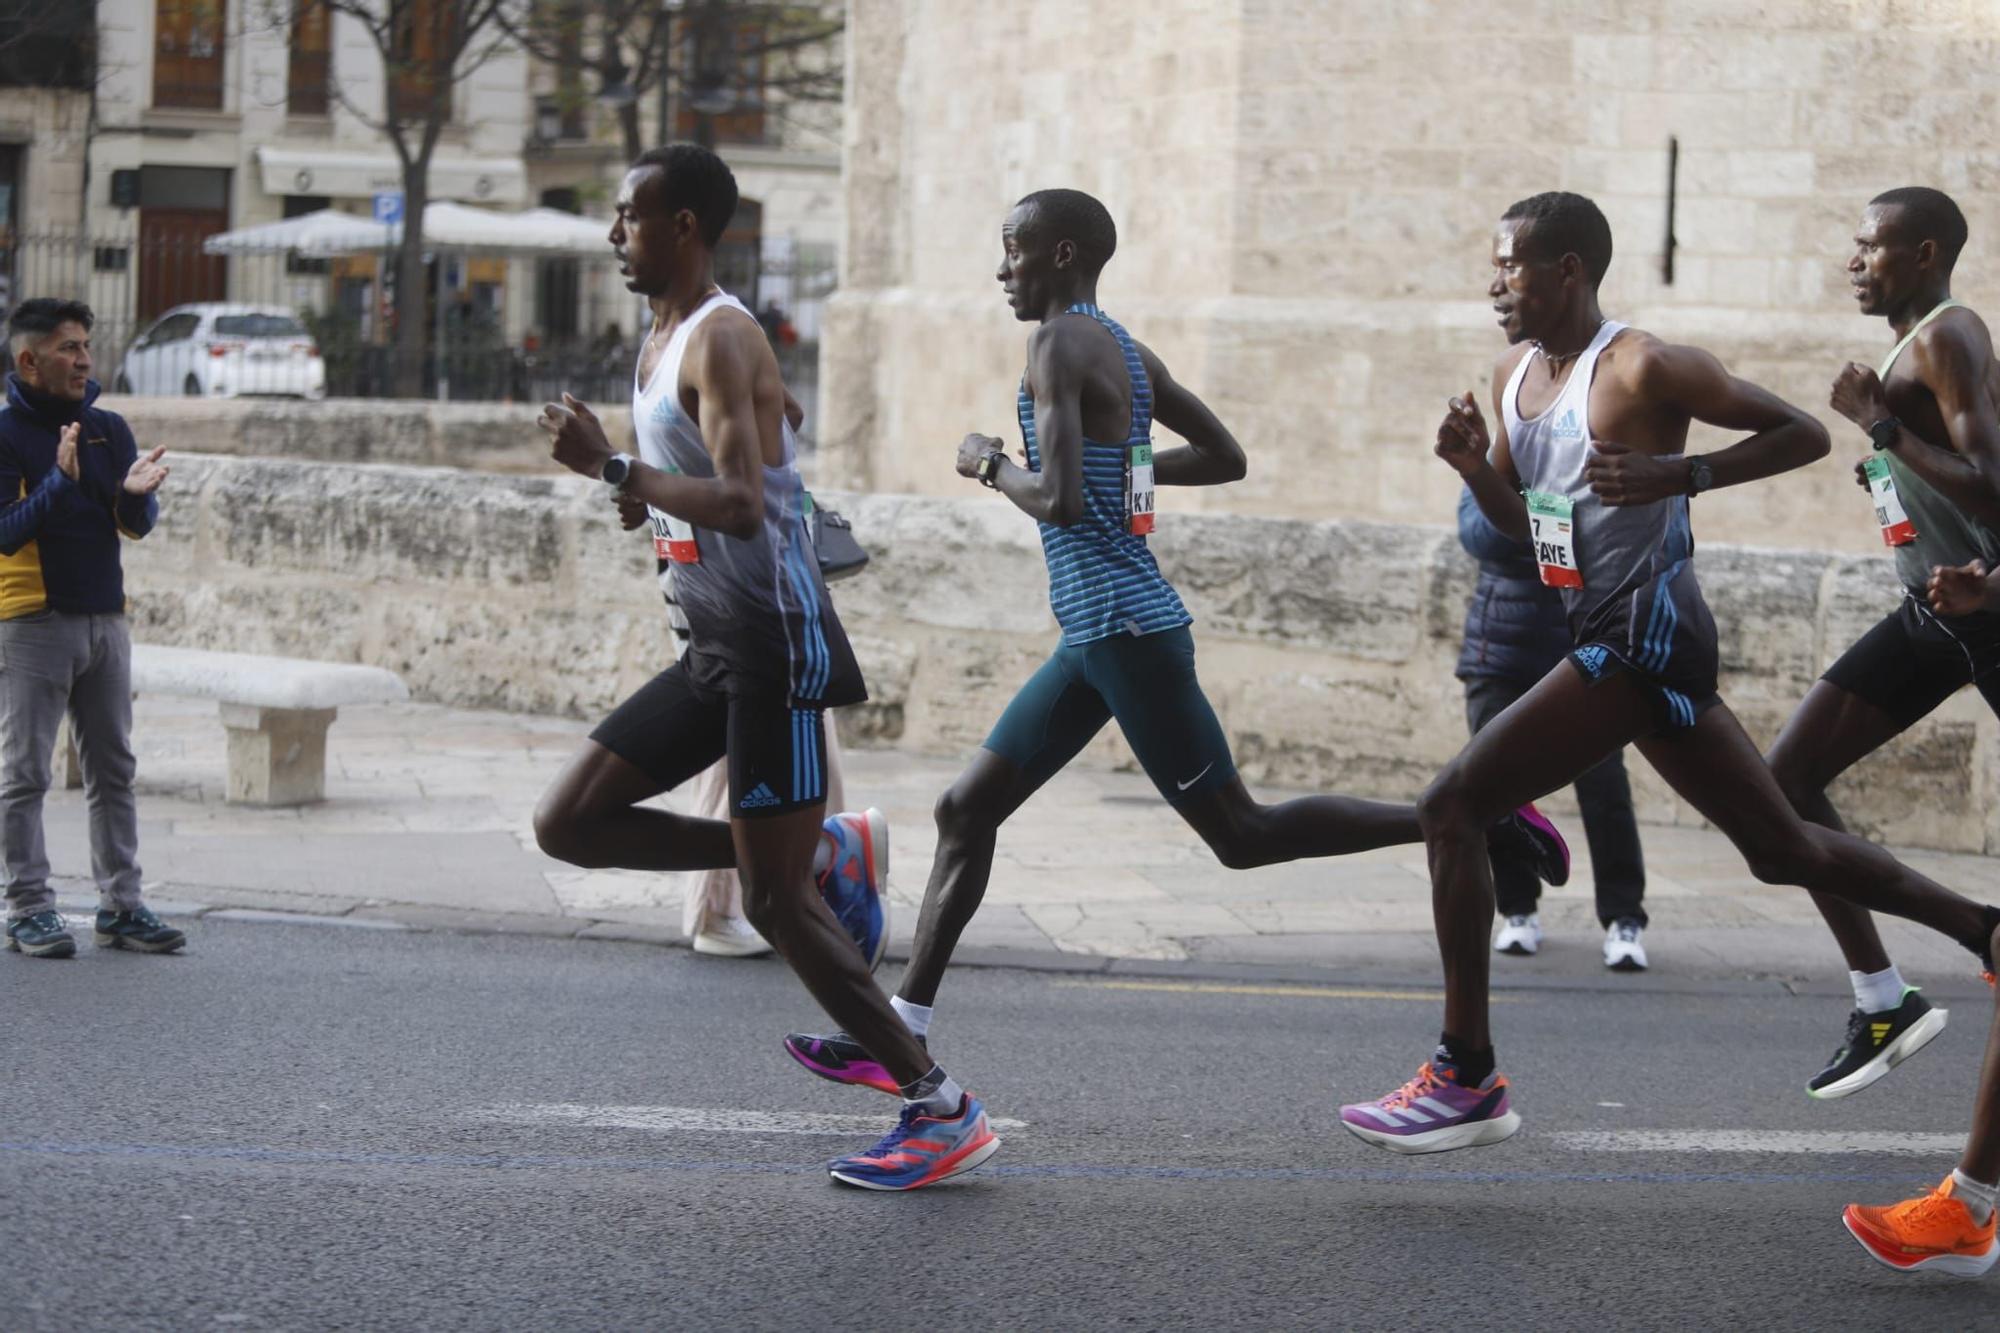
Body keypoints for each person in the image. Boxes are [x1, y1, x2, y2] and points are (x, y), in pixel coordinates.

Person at [781, 188, 1568, 1096]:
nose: (1003, 272)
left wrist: (992, 463)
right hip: (1094, 634)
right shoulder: (1122, 347)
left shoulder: (1058, 343)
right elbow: (1223, 455)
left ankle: (1469, 815)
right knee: (965, 811)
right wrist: (1123, 472)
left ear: (1064, 254)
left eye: (1014, 253)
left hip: (1127, 631)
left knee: (1243, 834)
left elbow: (1063, 500)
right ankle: (899, 1031)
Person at [1337, 191, 2000, 1156]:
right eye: (1492, 266)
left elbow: (1802, 435)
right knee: (1779, 844)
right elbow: (1539, 538)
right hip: (1599, 626)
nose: (1494, 285)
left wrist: (1678, 477)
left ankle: (1465, 1074)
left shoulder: (1644, 364)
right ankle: (1983, 933)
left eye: (1512, 266)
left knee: (1453, 805)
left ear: (1569, 270)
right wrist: (1478, 471)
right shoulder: (1513, 375)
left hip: (1647, 632)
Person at [534, 143, 995, 1191]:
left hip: (774, 647)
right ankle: (817, 851)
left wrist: (614, 466)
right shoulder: (659, 341)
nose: (614, 234)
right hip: (711, 648)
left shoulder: (722, 336)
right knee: (569, 822)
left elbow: (742, 501)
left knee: (781, 910)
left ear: (685, 226)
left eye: (630, 216)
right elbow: (698, 485)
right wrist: (633, 484)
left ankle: (939, 1108)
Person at [1763, 187, 2000, 1099]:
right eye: (1854, 246)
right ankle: (1881, 996)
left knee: (1781, 783)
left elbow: (1991, 487)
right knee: (1781, 781)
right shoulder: (1919, 344)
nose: (1854, 261)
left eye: (1872, 247)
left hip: (1989, 607)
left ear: (1926, 252)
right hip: (1937, 614)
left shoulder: (1949, 334)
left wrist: (1881, 425)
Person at [0, 297, 180, 959]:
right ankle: (27, 907)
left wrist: (135, 495)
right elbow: (6, 533)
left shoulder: (107, 427)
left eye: (85, 345)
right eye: (68, 348)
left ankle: (123, 905)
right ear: (29, 359)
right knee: (24, 774)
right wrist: (57, 480)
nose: (84, 359)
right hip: (33, 622)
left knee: (115, 769)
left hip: (107, 619)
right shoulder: (6, 436)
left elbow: (131, 525)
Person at [1455, 485, 1650, 969]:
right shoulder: (1492, 468)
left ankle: (1624, 918)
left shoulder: (1588, 471)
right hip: (1499, 654)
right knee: (1494, 790)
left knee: (1605, 789)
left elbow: (1613, 548)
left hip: (1581, 653)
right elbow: (1480, 537)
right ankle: (1517, 910)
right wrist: (1533, 507)